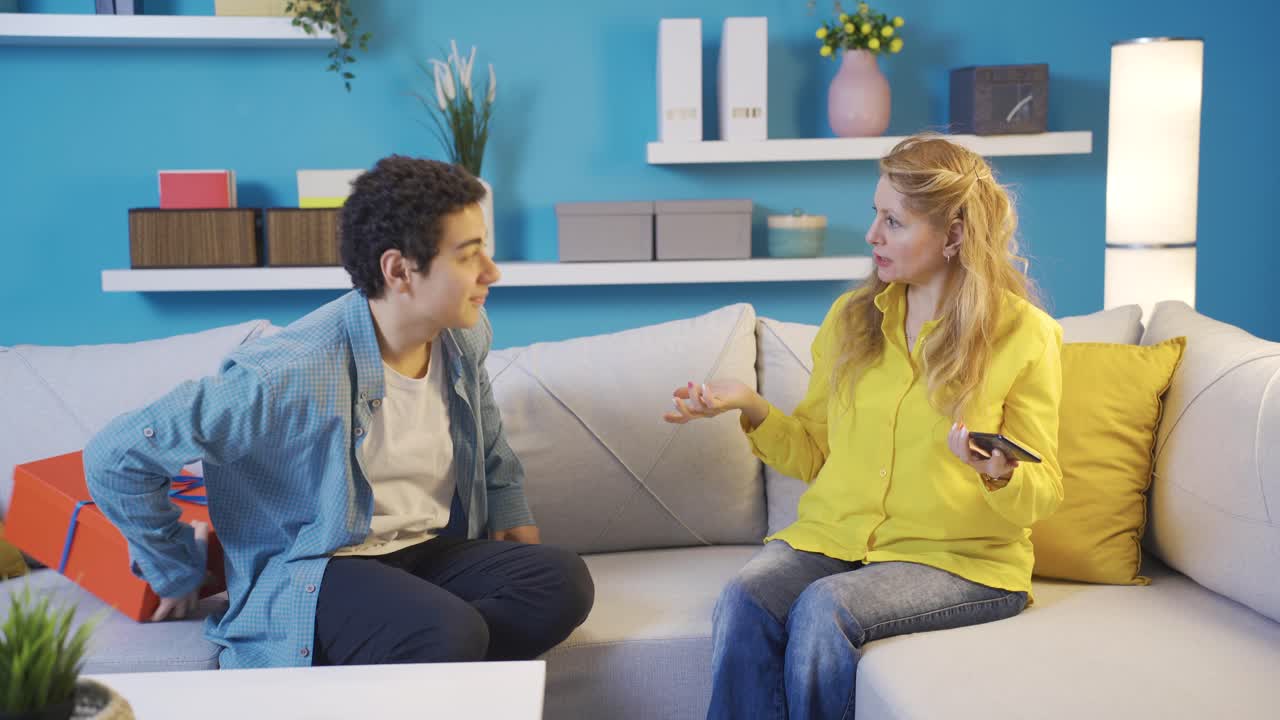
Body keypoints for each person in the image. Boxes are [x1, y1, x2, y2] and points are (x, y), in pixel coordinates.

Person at [85, 156, 594, 669]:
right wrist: (174, 570)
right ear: (399, 270)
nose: (492, 272)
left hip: (424, 551)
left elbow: (486, 431)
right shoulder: (288, 372)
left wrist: (508, 506)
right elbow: (116, 454)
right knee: (448, 630)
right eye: (468, 256)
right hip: (320, 570)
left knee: (562, 582)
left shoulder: (465, 334)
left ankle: (429, 654)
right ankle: (432, 647)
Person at [664, 134, 1064, 719]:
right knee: (746, 598)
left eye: (893, 222)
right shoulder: (851, 320)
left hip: (959, 562)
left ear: (953, 236)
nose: (872, 234)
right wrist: (750, 406)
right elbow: (814, 453)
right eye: (875, 214)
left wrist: (1001, 474)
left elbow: (1046, 489)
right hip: (837, 539)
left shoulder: (1025, 335)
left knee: (825, 608)